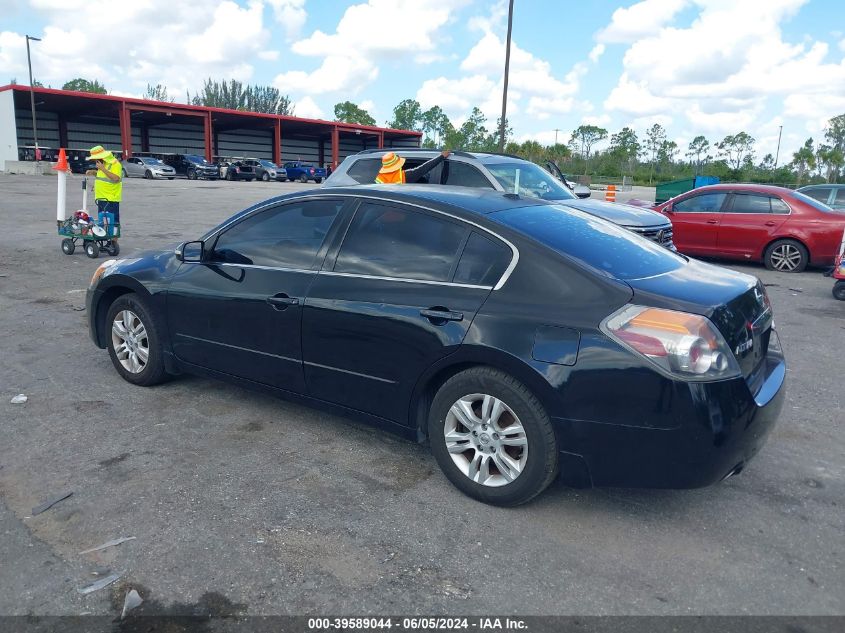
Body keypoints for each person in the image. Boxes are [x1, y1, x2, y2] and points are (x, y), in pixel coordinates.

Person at [85, 145, 123, 241]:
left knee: (113, 221)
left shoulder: (115, 164)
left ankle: (113, 242)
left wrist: (102, 169)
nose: (95, 161)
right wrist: (93, 172)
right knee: (103, 221)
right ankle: (105, 239)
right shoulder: (102, 164)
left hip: (111, 198)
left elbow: (116, 178)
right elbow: (102, 176)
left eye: (96, 158)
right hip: (101, 197)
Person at [375, 149, 450, 184]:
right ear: (397, 165)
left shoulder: (380, 178)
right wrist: (441, 156)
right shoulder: (404, 176)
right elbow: (423, 169)